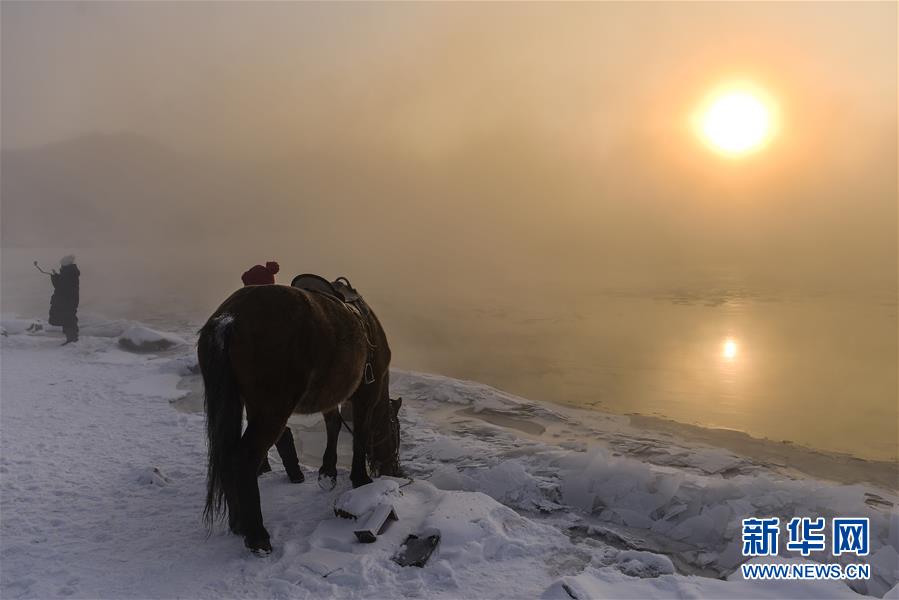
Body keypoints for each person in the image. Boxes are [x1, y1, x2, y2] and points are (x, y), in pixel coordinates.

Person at [241, 260, 304, 483]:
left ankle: (293, 472)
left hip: (270, 377)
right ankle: (267, 465)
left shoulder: (273, 311)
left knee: (271, 422)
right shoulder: (280, 308)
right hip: (260, 376)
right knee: (260, 420)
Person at [48, 255, 80, 345]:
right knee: (69, 317)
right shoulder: (70, 272)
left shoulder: (68, 273)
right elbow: (63, 285)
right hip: (69, 299)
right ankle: (72, 337)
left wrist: (54, 277)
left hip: (67, 300)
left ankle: (72, 339)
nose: (61, 265)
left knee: (68, 318)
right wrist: (56, 276)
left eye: (62, 264)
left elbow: (60, 286)